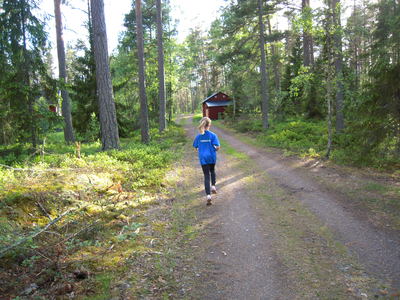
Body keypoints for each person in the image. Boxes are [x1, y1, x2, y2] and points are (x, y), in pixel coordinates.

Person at [193, 117, 221, 206]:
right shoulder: (213, 135)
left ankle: (208, 196)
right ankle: (213, 186)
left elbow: (195, 147)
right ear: (209, 125)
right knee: (212, 171)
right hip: (211, 156)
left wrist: (200, 150)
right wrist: (215, 149)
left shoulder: (198, 136)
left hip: (203, 158)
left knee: (206, 175)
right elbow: (218, 146)